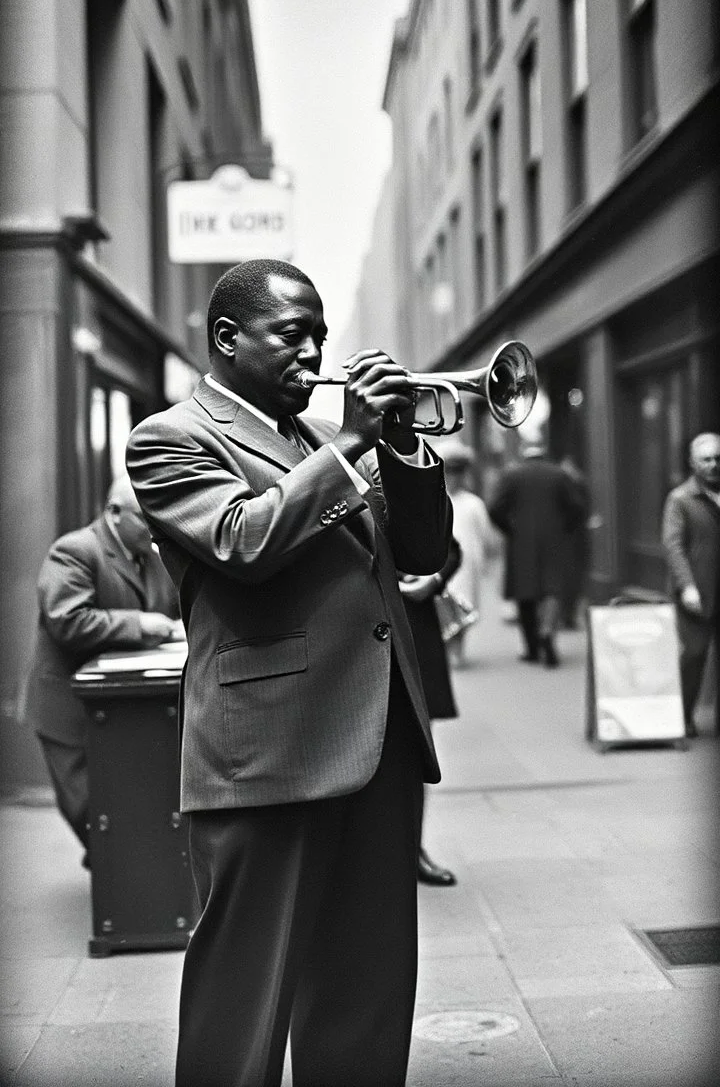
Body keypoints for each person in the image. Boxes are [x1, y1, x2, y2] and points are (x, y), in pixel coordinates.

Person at [125, 259, 452, 1087]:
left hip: (376, 745)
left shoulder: (312, 440)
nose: (313, 353)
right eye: (291, 335)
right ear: (229, 340)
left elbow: (421, 553)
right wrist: (350, 445)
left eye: (320, 336)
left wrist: (403, 445)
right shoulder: (171, 437)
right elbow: (243, 541)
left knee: (367, 992)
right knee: (246, 1001)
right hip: (267, 755)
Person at [22, 476, 181, 865]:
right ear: (113, 513)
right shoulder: (75, 550)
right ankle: (119, 888)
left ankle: (127, 885)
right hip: (69, 708)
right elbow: (67, 620)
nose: (155, 527)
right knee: (91, 811)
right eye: (146, 519)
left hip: (125, 707)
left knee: (126, 809)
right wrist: (140, 625)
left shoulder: (152, 556)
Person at [488, 437, 586, 668]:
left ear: (524, 452)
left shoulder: (512, 475)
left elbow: (494, 508)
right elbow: (577, 508)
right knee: (552, 589)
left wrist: (509, 530)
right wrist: (565, 529)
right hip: (554, 541)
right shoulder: (559, 475)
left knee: (526, 595)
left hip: (521, 542)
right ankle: (547, 632)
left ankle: (532, 649)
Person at [399, 537, 461, 888]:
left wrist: (433, 580)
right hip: (347, 631)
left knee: (415, 752)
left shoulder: (400, 480)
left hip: (413, 625)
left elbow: (450, 547)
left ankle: (412, 850)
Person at [661, 431, 720, 737]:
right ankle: (682, 716)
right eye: (705, 459)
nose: (712, 465)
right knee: (694, 655)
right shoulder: (680, 499)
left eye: (716, 458)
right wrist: (687, 585)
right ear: (692, 463)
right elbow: (673, 546)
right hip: (697, 592)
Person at [441, 441, 495, 667]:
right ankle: (448, 649)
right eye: (450, 473)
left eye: (457, 473)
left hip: (467, 562)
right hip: (442, 562)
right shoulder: (438, 501)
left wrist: (486, 560)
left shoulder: (474, 503)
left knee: (463, 606)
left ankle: (457, 649)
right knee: (443, 605)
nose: (453, 478)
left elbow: (486, 535)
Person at [559, 455, 591, 628]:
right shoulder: (578, 485)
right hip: (574, 539)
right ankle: (567, 615)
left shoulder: (567, 486)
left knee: (567, 580)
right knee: (572, 580)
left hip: (567, 539)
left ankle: (566, 615)